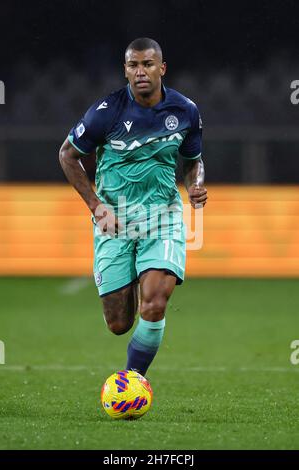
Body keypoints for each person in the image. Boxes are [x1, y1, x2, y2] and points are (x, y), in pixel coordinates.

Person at [59, 37, 208, 377]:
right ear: (125, 71)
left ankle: (132, 379)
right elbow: (67, 155)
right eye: (133, 65)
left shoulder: (186, 111)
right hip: (115, 219)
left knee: (154, 304)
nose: (141, 71)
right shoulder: (106, 112)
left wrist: (195, 184)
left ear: (162, 68)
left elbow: (192, 162)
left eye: (147, 64)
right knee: (118, 322)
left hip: (162, 216)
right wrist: (96, 206)